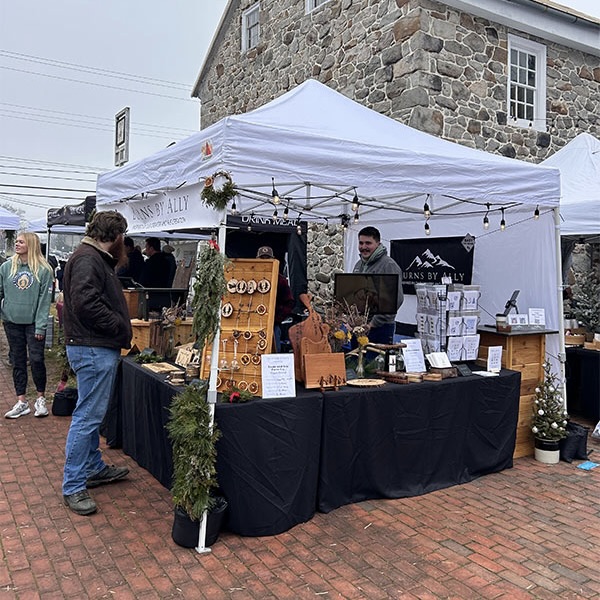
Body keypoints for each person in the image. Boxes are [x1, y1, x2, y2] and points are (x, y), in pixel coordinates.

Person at [61, 210, 132, 516]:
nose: (124, 244)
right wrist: (117, 325)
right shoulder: (89, 258)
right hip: (93, 348)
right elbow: (85, 303)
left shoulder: (89, 257)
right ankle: (73, 485)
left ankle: (92, 468)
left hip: (93, 346)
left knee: (90, 413)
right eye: (122, 237)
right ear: (114, 236)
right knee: (87, 416)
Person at [1, 232, 54, 419]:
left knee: (37, 359)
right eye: (16, 241)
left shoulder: (44, 270)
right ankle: (21, 401)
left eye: (21, 242)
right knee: (18, 361)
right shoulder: (7, 268)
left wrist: (40, 326)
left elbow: (45, 300)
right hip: (12, 322)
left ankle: (40, 399)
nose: (16, 244)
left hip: (33, 324)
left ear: (31, 245)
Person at [352, 226, 403, 346]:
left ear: (378, 243)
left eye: (368, 243)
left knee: (374, 364)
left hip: (380, 329)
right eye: (361, 243)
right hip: (359, 328)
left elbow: (395, 299)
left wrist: (373, 323)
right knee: (354, 363)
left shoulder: (388, 265)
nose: (363, 247)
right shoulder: (359, 265)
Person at [256, 246, 294, 352]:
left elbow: (289, 302)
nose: (265, 261)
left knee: (274, 353)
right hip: (253, 324)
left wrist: (276, 318)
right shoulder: (251, 278)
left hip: (273, 326)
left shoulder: (280, 280)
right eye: (262, 258)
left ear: (273, 259)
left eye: (267, 258)